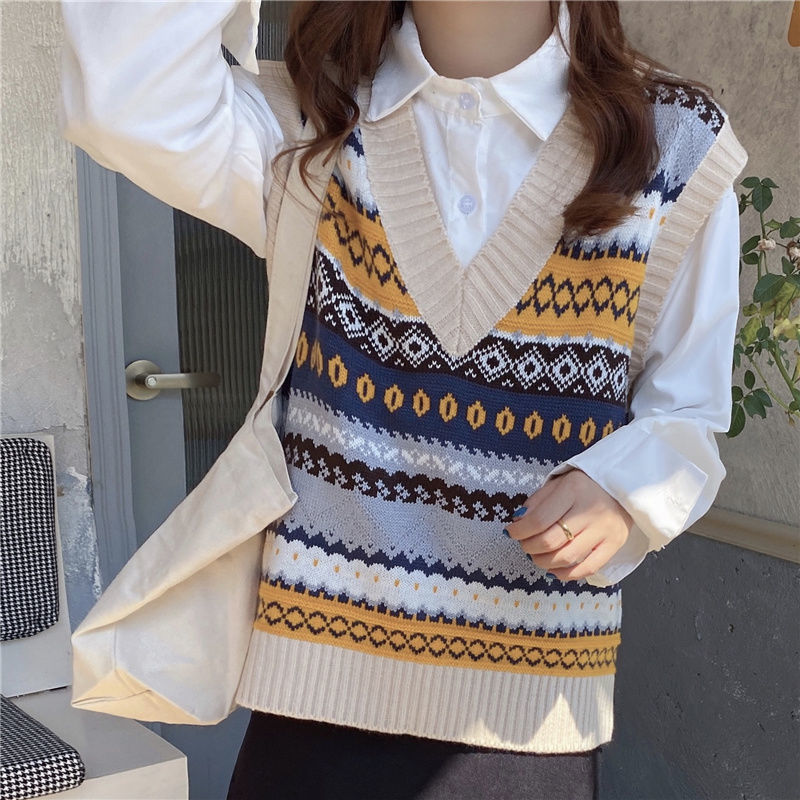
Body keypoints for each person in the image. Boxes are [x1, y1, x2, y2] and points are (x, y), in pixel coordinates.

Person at [58, 1, 747, 798]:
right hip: (310, 708)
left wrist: (624, 493)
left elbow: (687, 414)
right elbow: (125, 98)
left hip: (524, 725)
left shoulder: (674, 142)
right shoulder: (313, 127)